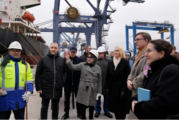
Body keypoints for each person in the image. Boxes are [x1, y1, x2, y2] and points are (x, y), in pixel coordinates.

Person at [131, 39, 179, 120]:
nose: (145, 55)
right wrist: (134, 99)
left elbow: (162, 104)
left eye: (149, 51)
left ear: (161, 53)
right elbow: (148, 93)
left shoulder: (171, 70)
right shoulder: (152, 70)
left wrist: (137, 107)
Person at [64, 50, 102, 120]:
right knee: (82, 105)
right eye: (88, 56)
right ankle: (83, 118)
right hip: (83, 88)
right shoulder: (82, 64)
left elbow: (99, 80)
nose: (89, 58)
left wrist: (99, 92)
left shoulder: (98, 68)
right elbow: (73, 67)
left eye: (91, 57)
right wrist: (68, 60)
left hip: (93, 88)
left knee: (91, 105)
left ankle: (91, 117)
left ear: (95, 58)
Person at [0, 41, 33, 120]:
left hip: (20, 99)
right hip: (4, 98)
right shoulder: (1, 62)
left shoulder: (25, 64)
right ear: (9, 51)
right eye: (13, 50)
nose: (16, 52)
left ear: (20, 52)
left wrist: (29, 91)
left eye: (18, 50)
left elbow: (29, 79)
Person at [35, 42, 66, 120]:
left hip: (57, 88)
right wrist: (39, 87)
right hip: (46, 88)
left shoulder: (62, 60)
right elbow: (38, 74)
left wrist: (62, 82)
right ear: (49, 48)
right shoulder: (43, 59)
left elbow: (65, 72)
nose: (53, 49)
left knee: (55, 108)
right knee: (44, 107)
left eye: (55, 48)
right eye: (52, 47)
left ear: (58, 49)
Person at [127, 32, 151, 120]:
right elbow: (133, 71)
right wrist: (129, 79)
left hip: (140, 90)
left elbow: (145, 72)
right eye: (135, 40)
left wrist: (133, 83)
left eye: (138, 39)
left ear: (146, 41)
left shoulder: (147, 54)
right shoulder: (138, 54)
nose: (135, 42)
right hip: (134, 89)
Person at [106, 46, 131, 120]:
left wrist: (124, 89)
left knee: (122, 109)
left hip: (122, 87)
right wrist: (107, 87)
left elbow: (128, 77)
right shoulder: (110, 62)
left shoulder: (125, 62)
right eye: (114, 50)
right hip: (113, 87)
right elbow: (107, 76)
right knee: (115, 108)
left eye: (117, 50)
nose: (115, 52)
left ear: (121, 52)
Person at [61, 46, 83, 120]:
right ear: (69, 51)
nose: (72, 53)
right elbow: (62, 71)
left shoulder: (80, 60)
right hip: (67, 83)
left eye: (74, 52)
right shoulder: (64, 60)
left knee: (78, 99)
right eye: (71, 52)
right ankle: (66, 113)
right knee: (66, 99)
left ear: (76, 52)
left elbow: (82, 70)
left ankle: (79, 113)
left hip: (77, 82)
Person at [94, 47, 113, 118]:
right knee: (97, 98)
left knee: (107, 97)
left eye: (100, 53)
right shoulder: (95, 61)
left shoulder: (109, 61)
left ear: (104, 53)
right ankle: (97, 110)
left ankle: (106, 110)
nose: (98, 55)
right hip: (97, 82)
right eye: (98, 53)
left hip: (106, 83)